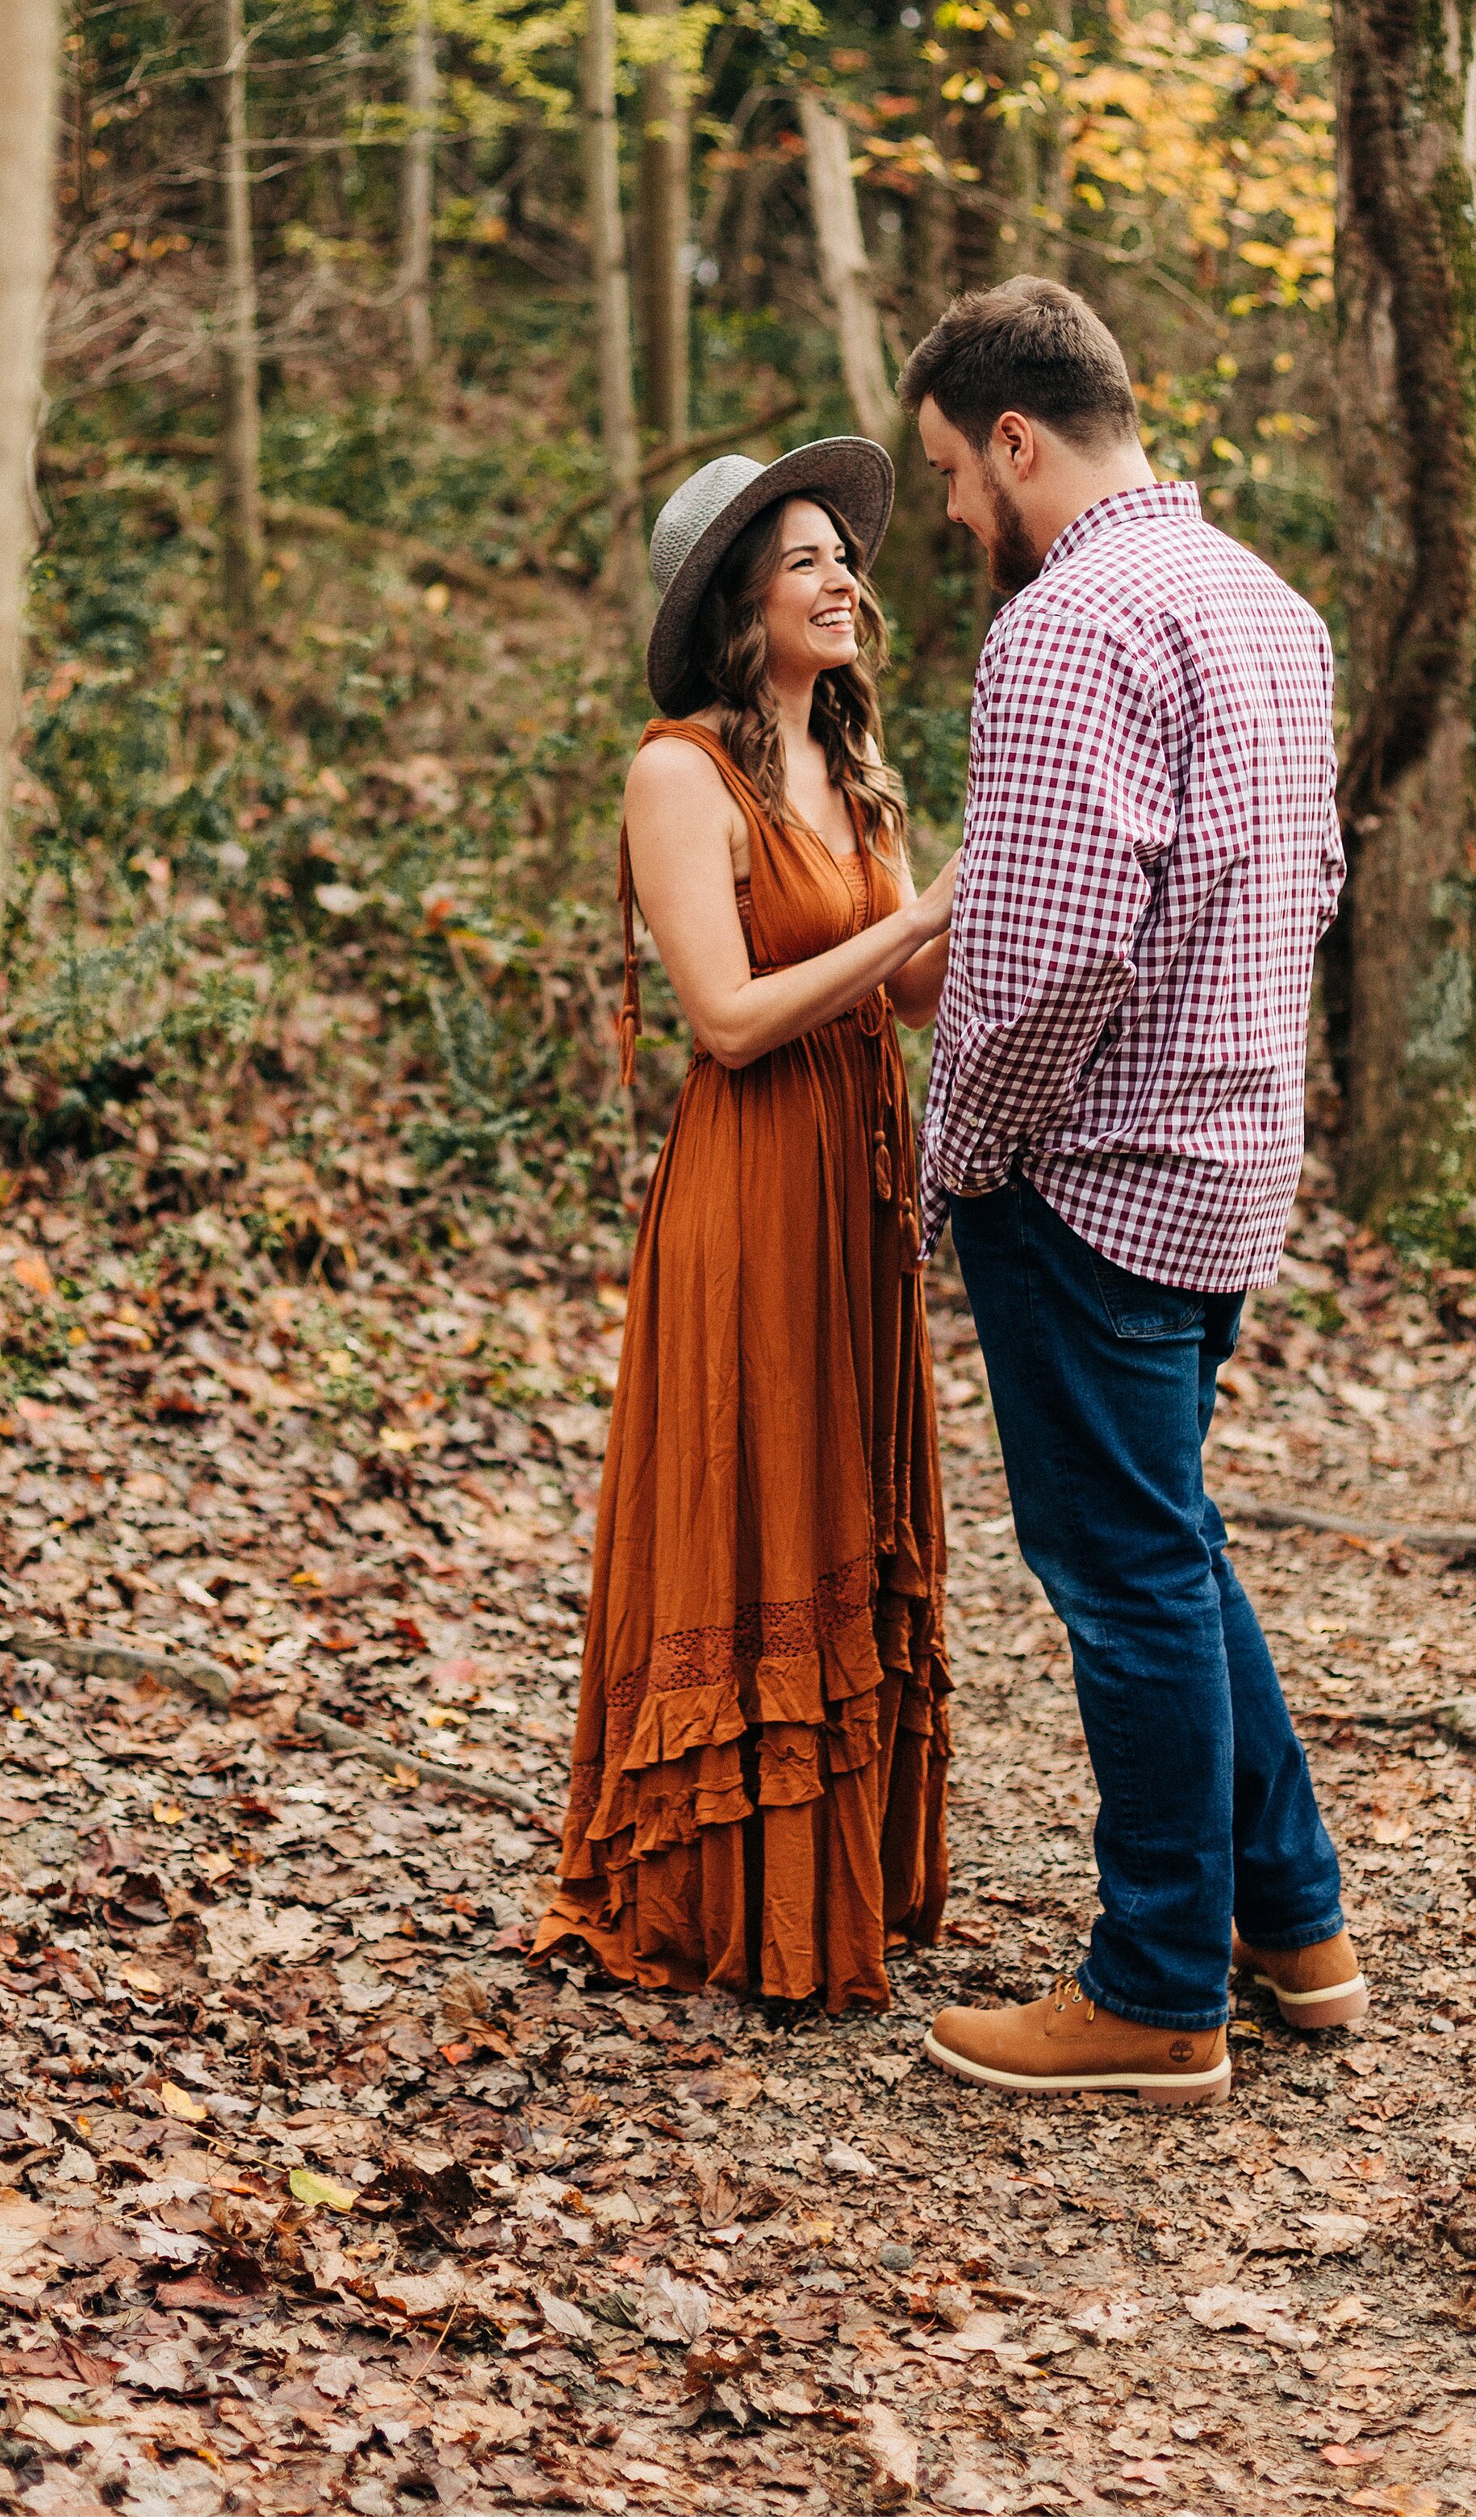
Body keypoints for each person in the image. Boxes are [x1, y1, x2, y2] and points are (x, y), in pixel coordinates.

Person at [902, 278, 1366, 2108]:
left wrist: (963, 1156)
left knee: (1121, 1576)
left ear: (1017, 438)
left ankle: (1156, 1985)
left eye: (950, 471)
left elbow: (1048, 955)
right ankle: (1293, 1924)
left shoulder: (1067, 625)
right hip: (1229, 1156)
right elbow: (1309, 885)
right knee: (1169, 1541)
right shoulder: (1271, 606)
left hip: (1092, 1175)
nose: (950, 517)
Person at [533, 438, 958, 2013]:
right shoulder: (674, 774)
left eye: (842, 553)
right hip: (749, 1184)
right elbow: (720, 1019)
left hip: (856, 1183)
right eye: (803, 558)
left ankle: (830, 1880)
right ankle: (721, 1895)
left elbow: (908, 990)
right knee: (753, 1486)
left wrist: (995, 904)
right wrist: (910, 919)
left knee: (839, 1492)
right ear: (734, 598)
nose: (843, 575)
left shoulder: (852, 765)